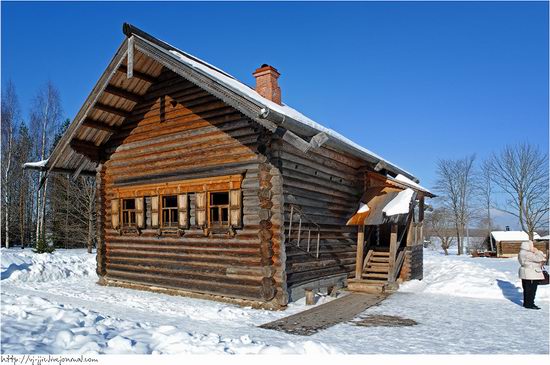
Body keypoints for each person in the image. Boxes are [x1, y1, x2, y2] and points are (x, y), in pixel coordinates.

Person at [518, 240, 546, 309]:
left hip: (526, 272)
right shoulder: (527, 254)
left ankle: (527, 303)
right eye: (532, 245)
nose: (533, 247)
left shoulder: (522, 253)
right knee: (531, 290)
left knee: (527, 289)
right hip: (531, 273)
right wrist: (537, 251)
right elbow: (540, 258)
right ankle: (530, 304)